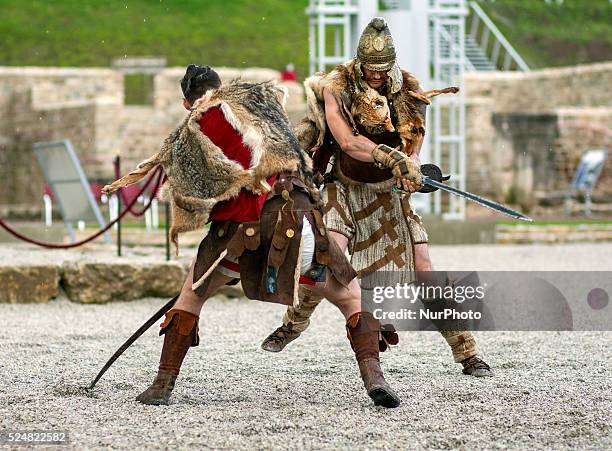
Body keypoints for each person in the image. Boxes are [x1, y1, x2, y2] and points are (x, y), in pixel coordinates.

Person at [103, 64, 401, 407]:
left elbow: (196, 200)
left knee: (191, 296)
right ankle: (374, 377)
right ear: (222, 86)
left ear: (188, 103)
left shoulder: (195, 127)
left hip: (238, 236)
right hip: (298, 223)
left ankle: (161, 385)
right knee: (350, 297)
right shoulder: (264, 105)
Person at [260, 18, 493, 377]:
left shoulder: (409, 93)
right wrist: (389, 156)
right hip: (343, 190)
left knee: (426, 270)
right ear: (360, 63)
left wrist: (411, 172)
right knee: (325, 258)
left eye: (383, 70)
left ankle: (467, 352)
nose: (376, 76)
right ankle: (292, 324)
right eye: (371, 69)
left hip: (389, 196)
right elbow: (349, 141)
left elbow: (413, 147)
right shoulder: (336, 87)